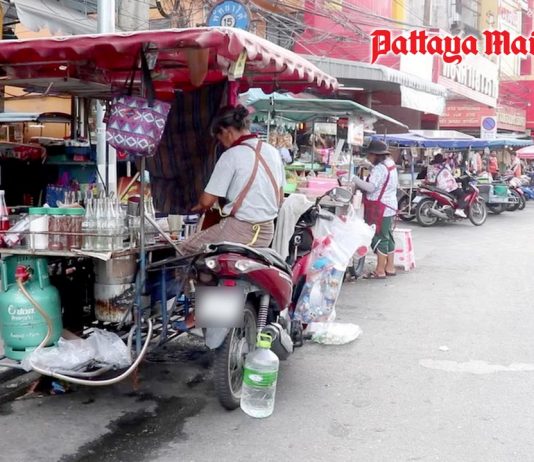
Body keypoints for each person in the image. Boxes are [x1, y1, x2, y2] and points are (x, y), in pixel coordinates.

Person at [176, 105, 285, 256]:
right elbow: (280, 197)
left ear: (226, 131)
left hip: (240, 230)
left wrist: (195, 206)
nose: (221, 143)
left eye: (219, 138)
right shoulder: (273, 152)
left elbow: (207, 201)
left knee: (185, 249)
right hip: (267, 232)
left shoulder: (231, 155)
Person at [352, 140, 398, 279]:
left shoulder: (380, 168)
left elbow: (371, 188)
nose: (368, 158)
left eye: (370, 155)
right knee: (388, 235)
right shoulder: (390, 164)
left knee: (379, 236)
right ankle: (390, 267)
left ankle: (380, 270)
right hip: (390, 205)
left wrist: (354, 178)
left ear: (376, 155)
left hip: (380, 207)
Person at [426, 154, 466, 218]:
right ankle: (459, 210)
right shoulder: (445, 167)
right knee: (462, 195)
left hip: (437, 187)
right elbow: (451, 176)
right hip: (448, 187)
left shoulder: (432, 168)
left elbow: (430, 178)